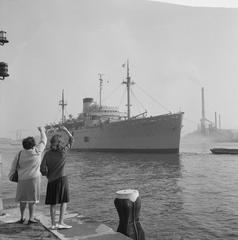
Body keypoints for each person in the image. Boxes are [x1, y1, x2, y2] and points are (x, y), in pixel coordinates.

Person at [8, 127, 47, 224]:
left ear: (24, 145)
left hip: (22, 179)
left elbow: (14, 166)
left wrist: (11, 175)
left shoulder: (20, 153)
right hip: (34, 179)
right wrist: (42, 131)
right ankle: (31, 218)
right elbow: (44, 140)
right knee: (32, 199)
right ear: (33, 144)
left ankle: (21, 218)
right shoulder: (37, 151)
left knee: (23, 199)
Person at [40, 126, 73, 230]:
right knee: (64, 201)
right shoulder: (63, 152)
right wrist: (66, 130)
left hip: (51, 181)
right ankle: (61, 222)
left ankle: (53, 224)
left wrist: (47, 175)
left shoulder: (47, 153)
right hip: (62, 179)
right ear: (59, 142)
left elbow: (42, 168)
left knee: (52, 203)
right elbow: (71, 139)